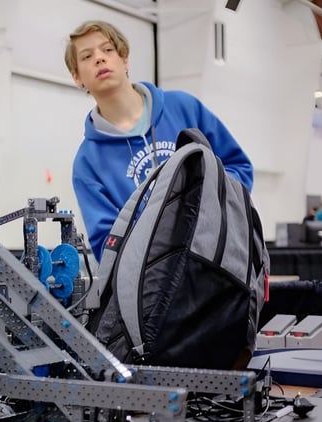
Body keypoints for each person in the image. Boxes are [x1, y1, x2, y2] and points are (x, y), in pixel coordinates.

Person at [64, 21, 254, 261]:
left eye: (108, 50)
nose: (99, 59)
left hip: (219, 266)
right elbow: (107, 248)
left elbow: (241, 170)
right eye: (87, 56)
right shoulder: (87, 163)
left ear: (125, 59)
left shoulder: (185, 108)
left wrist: (204, 209)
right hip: (159, 288)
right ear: (77, 77)